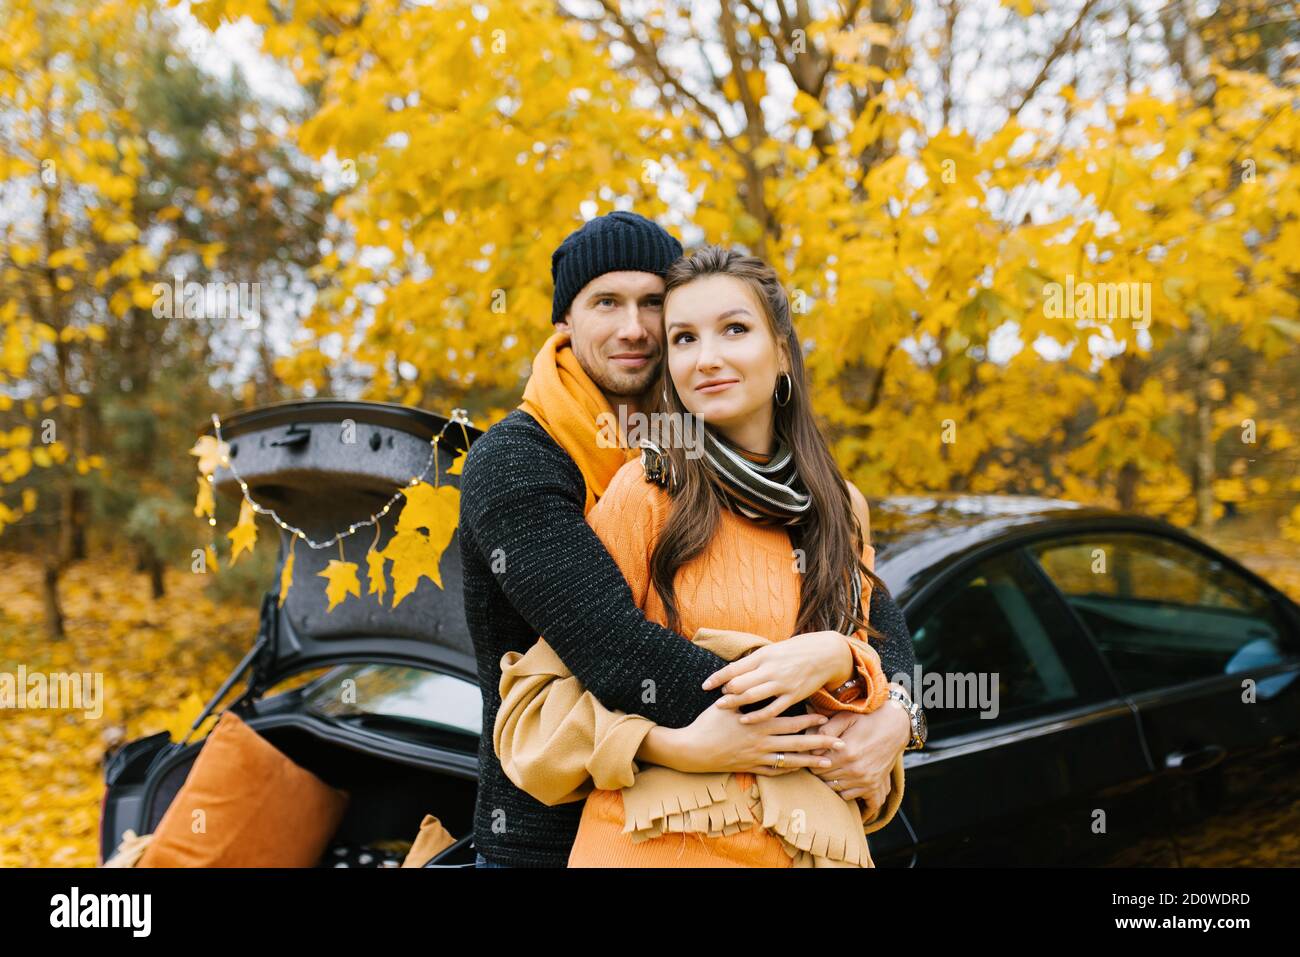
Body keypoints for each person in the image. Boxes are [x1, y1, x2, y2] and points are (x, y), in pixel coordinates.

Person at [458, 213, 923, 868]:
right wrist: (822, 728)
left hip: (757, 821)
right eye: (606, 302)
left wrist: (897, 708)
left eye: (655, 304)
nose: (634, 327)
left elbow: (874, 612)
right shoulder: (522, 462)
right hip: (547, 832)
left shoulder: (720, 450)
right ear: (564, 322)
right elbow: (614, 647)